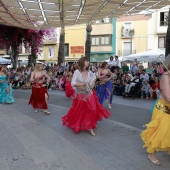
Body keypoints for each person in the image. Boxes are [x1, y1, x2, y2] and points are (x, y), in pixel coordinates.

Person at [62, 57, 111, 136]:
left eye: (88, 61)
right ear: (82, 62)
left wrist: (92, 83)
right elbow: (73, 83)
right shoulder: (77, 72)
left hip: (89, 94)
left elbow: (95, 77)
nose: (88, 62)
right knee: (80, 111)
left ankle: (90, 126)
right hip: (80, 96)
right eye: (86, 61)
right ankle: (85, 125)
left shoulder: (89, 72)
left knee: (93, 109)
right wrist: (82, 84)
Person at [140, 55, 170, 165]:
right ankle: (151, 154)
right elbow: (167, 96)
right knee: (159, 131)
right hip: (163, 107)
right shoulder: (166, 77)